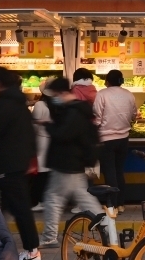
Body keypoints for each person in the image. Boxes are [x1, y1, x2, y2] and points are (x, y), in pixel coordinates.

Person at [0, 66, 40, 260]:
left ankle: (32, 250)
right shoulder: (19, 103)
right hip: (18, 163)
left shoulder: (5, 104)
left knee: (18, 208)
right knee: (0, 207)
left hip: (8, 164)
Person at [39, 78, 103, 248]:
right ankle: (106, 227)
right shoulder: (76, 109)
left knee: (53, 199)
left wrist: (48, 126)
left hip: (66, 163)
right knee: (85, 198)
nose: (53, 98)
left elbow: (63, 134)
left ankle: (49, 237)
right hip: (75, 163)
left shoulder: (73, 112)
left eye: (54, 95)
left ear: (61, 93)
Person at [93, 70, 138, 210]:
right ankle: (121, 204)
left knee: (110, 172)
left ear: (107, 81)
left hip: (106, 139)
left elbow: (97, 118)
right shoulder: (128, 94)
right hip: (123, 138)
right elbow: (134, 115)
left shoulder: (102, 94)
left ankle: (112, 204)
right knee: (119, 171)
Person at [29, 80, 53, 211]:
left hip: (41, 141)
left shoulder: (40, 105)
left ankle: (37, 201)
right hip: (52, 141)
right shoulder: (56, 105)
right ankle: (45, 200)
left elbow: (34, 125)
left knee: (40, 172)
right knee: (48, 173)